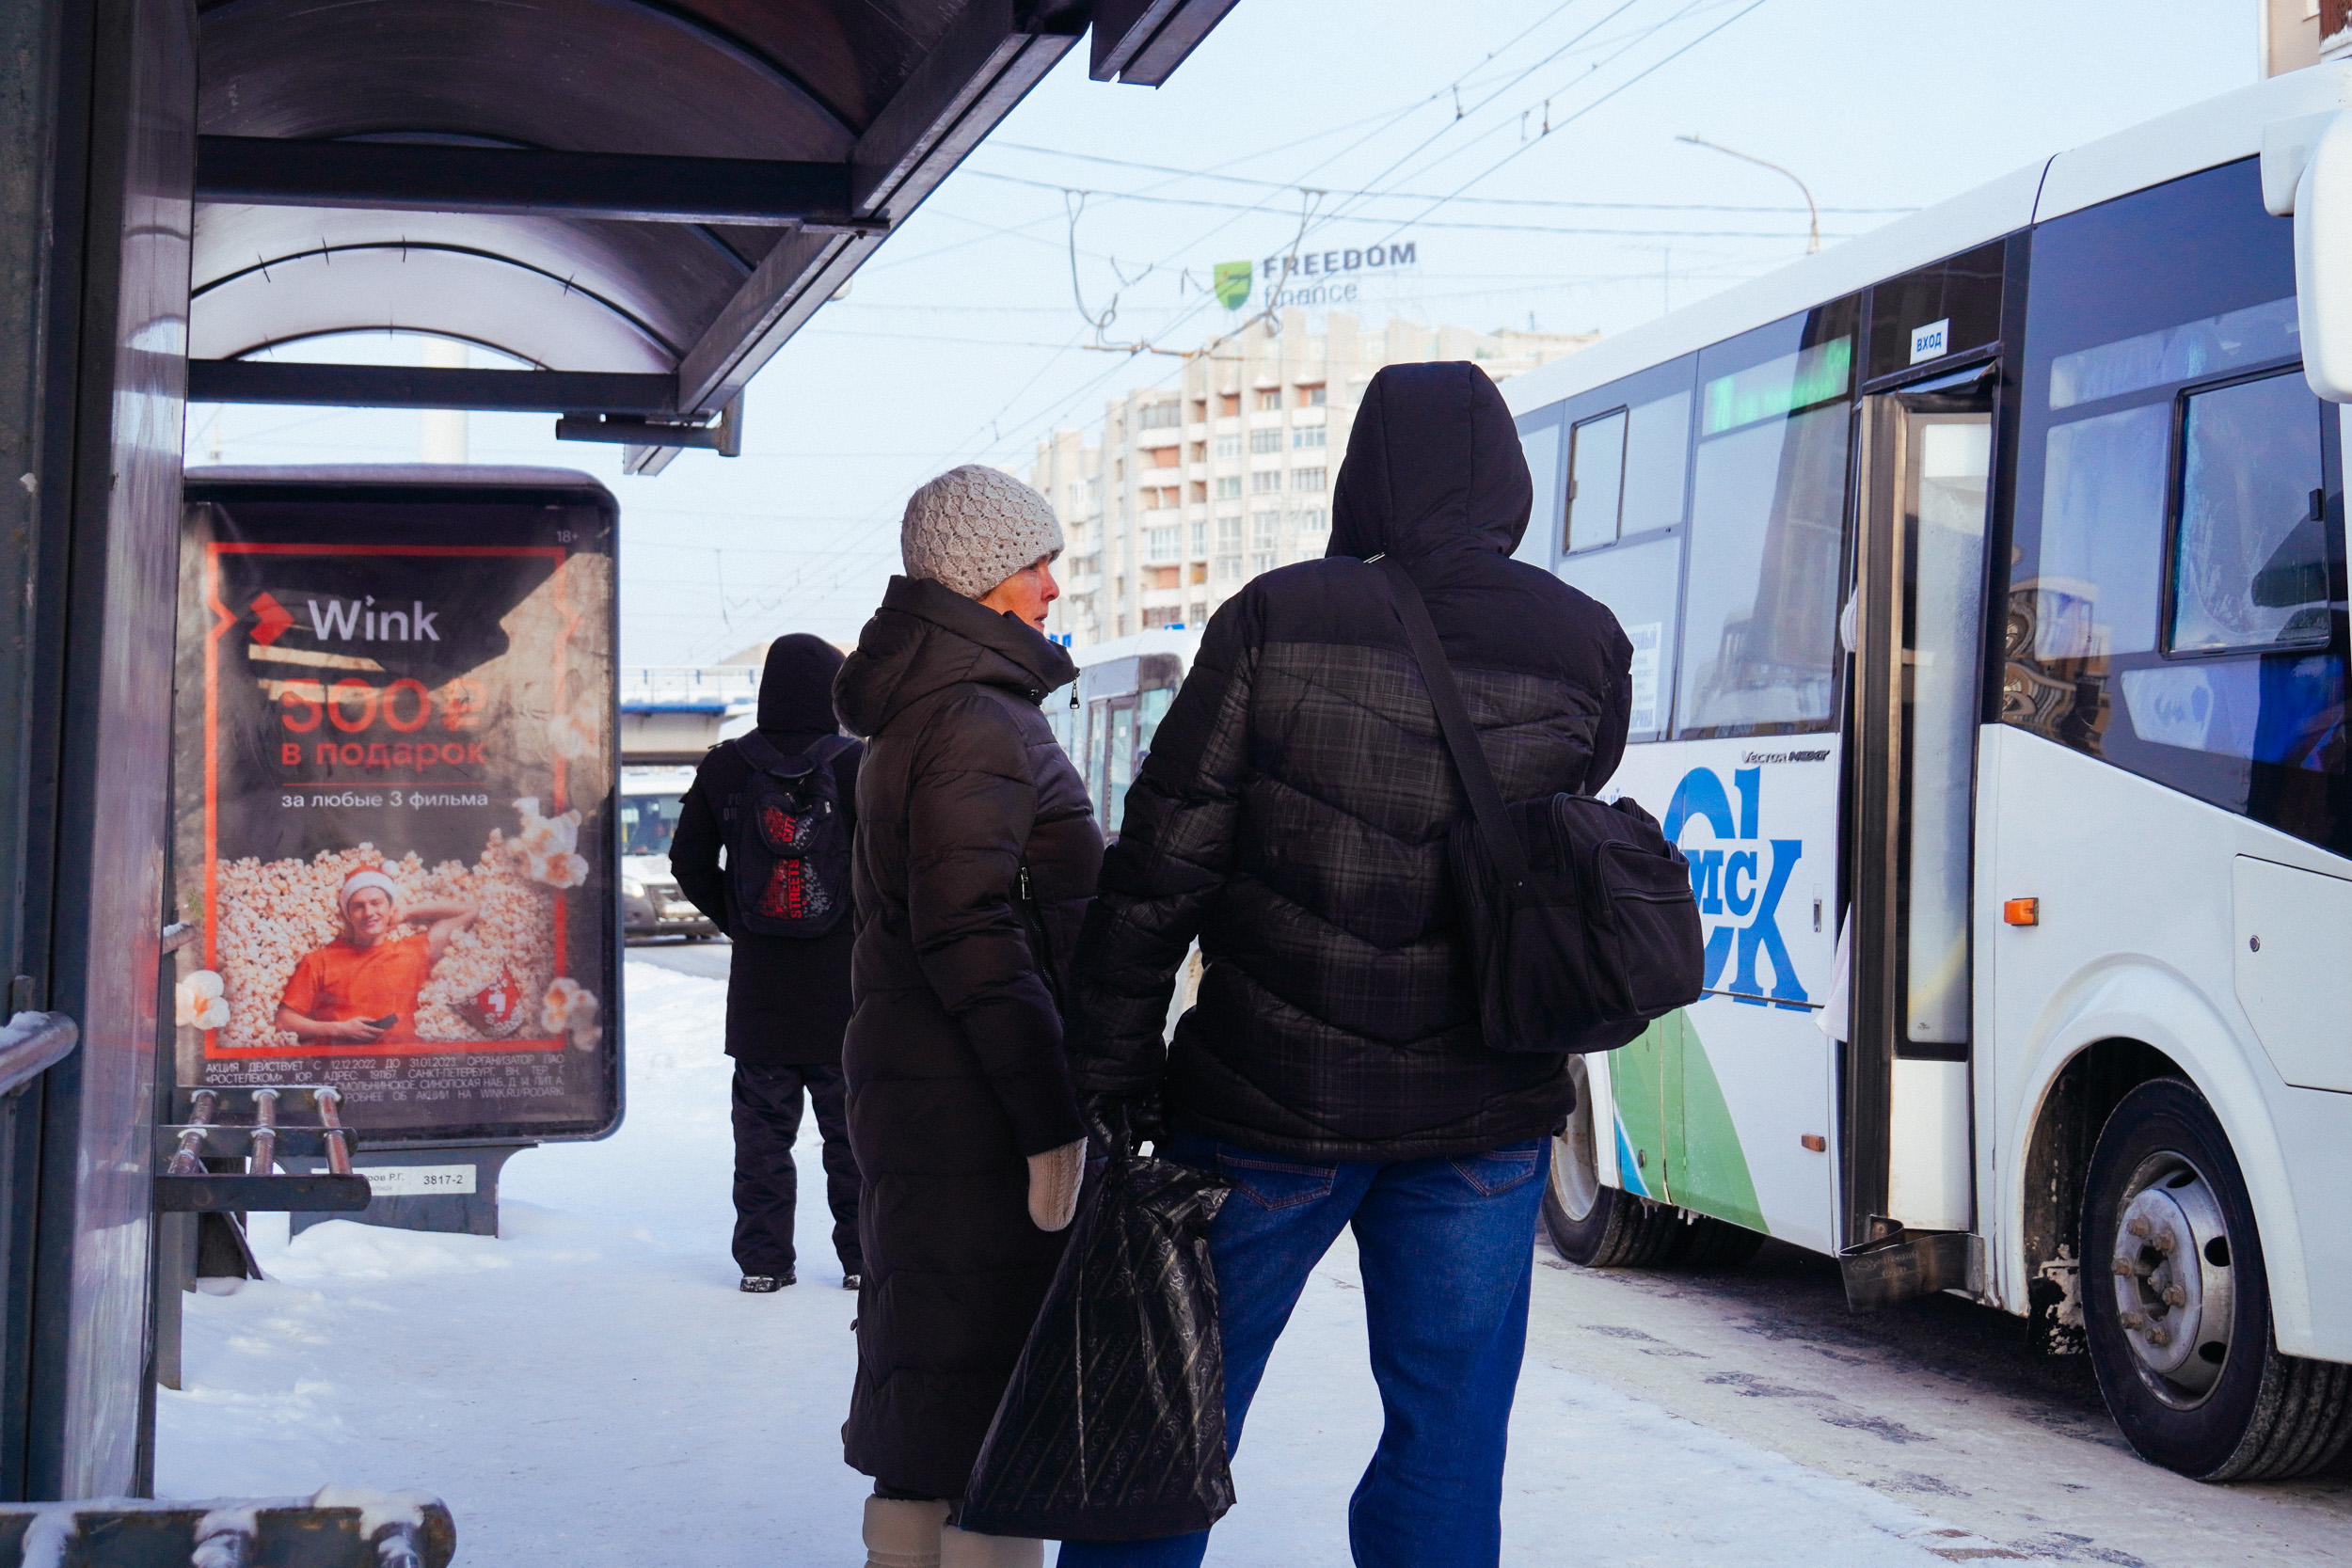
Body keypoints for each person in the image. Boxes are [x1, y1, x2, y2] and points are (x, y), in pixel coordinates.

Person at [1065, 362, 1632, 1568]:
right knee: (1449, 1436)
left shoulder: (1275, 617)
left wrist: (1109, 1062)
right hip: (1484, 1110)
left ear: (1364, 470)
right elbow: (1562, 827)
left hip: (1268, 1102)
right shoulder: (1582, 640)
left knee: (1168, 1413)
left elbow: (1164, 860)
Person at [833, 465, 1100, 1568]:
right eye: (1036, 561)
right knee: (995, 1396)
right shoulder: (977, 717)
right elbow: (971, 927)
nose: (1052, 582)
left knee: (935, 1378)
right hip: (978, 1107)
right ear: (985, 575)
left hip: (928, 1087)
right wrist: (1050, 1119)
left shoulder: (927, 706)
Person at [672, 633, 866, 1294]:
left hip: (760, 994)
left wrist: (741, 925)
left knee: (761, 1136)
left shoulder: (726, 767)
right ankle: (863, 1260)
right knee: (852, 1136)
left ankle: (763, 1261)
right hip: (844, 990)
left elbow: (687, 862)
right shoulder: (857, 765)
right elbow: (894, 866)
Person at [274, 870, 478, 1045]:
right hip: (341, 1071)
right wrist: (338, 1029)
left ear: (391, 907)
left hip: (406, 1070)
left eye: (376, 903)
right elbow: (284, 1021)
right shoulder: (319, 961)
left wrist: (405, 912)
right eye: (358, 906)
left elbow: (470, 911)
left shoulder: (413, 951)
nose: (369, 912)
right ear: (348, 915)